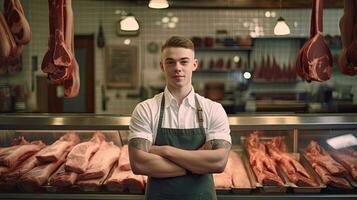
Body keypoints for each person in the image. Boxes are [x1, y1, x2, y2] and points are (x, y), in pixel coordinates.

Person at [128, 36, 232, 200]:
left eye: (184, 61)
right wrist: (197, 164)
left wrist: (164, 150)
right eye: (171, 62)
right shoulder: (145, 109)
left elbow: (218, 163)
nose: (178, 68)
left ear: (194, 64)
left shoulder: (213, 109)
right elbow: (139, 164)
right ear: (162, 66)